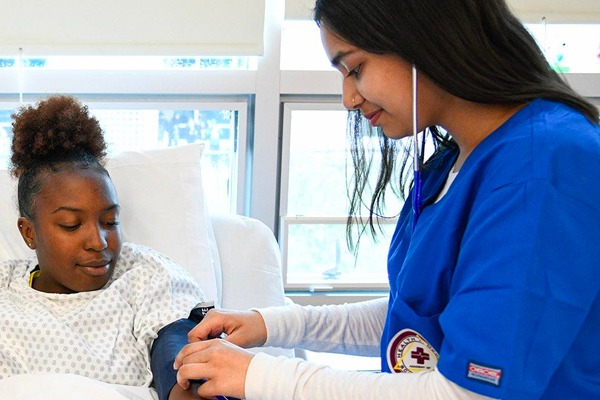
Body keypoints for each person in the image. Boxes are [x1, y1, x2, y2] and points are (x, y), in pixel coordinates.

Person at [173, 0, 600, 399]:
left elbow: (468, 391)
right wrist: (274, 324)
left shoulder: (544, 167)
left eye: (355, 68)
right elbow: (418, 322)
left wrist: (262, 376)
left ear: (423, 35)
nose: (348, 98)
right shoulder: (451, 164)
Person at [1, 95, 211, 400]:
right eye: (71, 224)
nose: (99, 242)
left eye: (110, 221)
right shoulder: (4, 290)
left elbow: (176, 351)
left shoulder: (144, 276)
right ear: (29, 233)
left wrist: (187, 385)